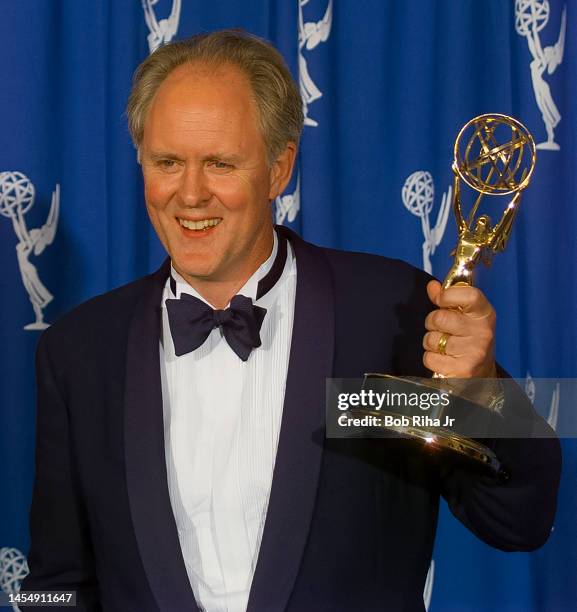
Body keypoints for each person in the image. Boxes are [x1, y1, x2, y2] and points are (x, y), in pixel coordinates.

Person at [22, 30, 560, 612]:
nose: (191, 194)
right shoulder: (80, 352)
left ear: (279, 169)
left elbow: (519, 522)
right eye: (167, 162)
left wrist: (482, 395)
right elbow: (54, 583)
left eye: (220, 163)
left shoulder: (389, 315)